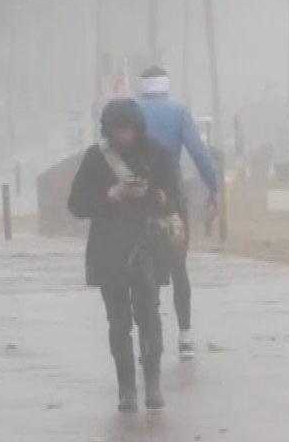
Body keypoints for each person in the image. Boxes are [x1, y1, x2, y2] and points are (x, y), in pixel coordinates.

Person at [68, 98, 184, 412]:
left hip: (146, 244)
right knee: (118, 321)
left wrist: (152, 195)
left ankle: (153, 382)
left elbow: (173, 196)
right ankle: (126, 387)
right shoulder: (96, 159)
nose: (123, 136)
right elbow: (76, 204)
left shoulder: (157, 155)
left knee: (149, 315)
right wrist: (109, 197)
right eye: (117, 130)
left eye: (128, 129)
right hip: (109, 248)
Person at [134, 66, 219, 359]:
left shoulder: (131, 112)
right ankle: (185, 336)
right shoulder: (179, 113)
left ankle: (149, 333)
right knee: (178, 266)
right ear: (166, 88)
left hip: (138, 202)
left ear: (142, 87)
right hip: (172, 200)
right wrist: (214, 188)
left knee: (144, 267)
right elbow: (198, 153)